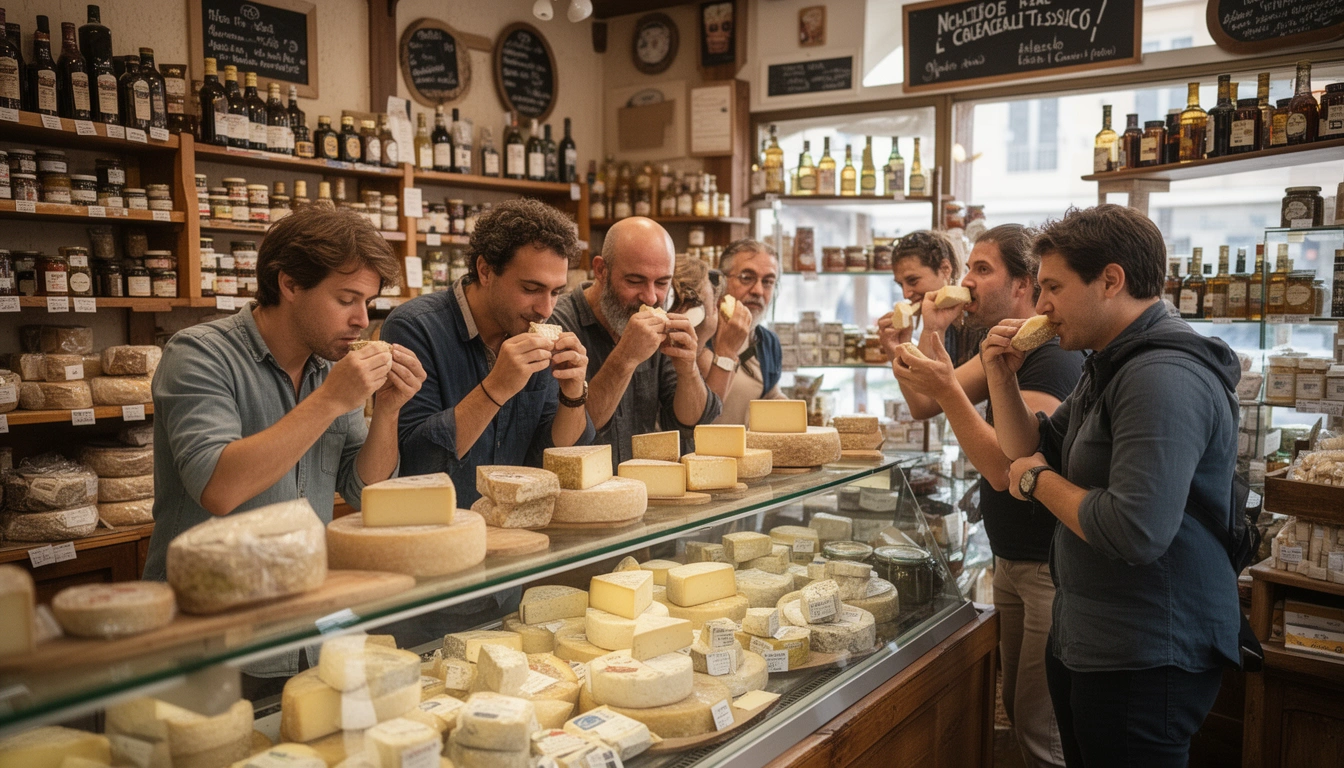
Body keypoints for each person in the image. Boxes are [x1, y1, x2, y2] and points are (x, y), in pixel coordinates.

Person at [981, 205, 1241, 766]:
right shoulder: (1110, 362)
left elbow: (1134, 529)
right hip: (1091, 640)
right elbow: (1029, 447)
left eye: (1053, 287)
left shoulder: (1161, 376)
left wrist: (1037, 482)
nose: (1040, 305)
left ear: (1111, 280)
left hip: (1144, 655)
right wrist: (1000, 377)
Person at [144, 207, 425, 695]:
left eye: (368, 302)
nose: (362, 320)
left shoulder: (329, 367)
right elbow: (218, 488)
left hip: (307, 627)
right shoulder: (199, 353)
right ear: (290, 284)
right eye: (346, 299)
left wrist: (388, 410)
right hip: (211, 636)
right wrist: (332, 400)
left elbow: (365, 491)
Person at [890, 224, 1082, 768]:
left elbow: (1006, 468)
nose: (966, 280)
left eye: (981, 269)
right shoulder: (1004, 343)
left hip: (1048, 564)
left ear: (1023, 285)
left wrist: (946, 387)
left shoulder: (1052, 355)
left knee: (1043, 729)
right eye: (968, 268)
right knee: (1020, 712)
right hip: (1012, 558)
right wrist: (924, 333)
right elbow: (926, 400)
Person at [380, 198, 594, 505]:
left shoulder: (538, 327)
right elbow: (417, 463)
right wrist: (497, 387)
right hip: (439, 526)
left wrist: (572, 395)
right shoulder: (415, 327)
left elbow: (553, 458)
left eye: (556, 292)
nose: (546, 309)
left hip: (518, 525)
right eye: (531, 289)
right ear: (485, 271)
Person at [550, 217, 720, 465]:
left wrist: (688, 370)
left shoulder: (661, 323)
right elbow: (568, 440)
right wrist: (625, 358)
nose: (650, 297)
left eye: (662, 283)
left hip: (641, 485)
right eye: (634, 281)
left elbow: (690, 423)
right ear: (601, 270)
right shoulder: (557, 324)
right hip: (577, 487)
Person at [878, 230, 984, 375]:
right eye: (900, 285)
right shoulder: (938, 320)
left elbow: (928, 389)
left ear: (945, 269)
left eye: (913, 280)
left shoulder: (977, 322)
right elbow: (920, 386)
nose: (906, 294)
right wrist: (899, 347)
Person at [710, 238, 785, 425]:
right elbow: (698, 413)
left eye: (768, 282)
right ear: (721, 281)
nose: (758, 290)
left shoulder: (767, 341)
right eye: (746, 277)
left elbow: (770, 395)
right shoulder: (702, 334)